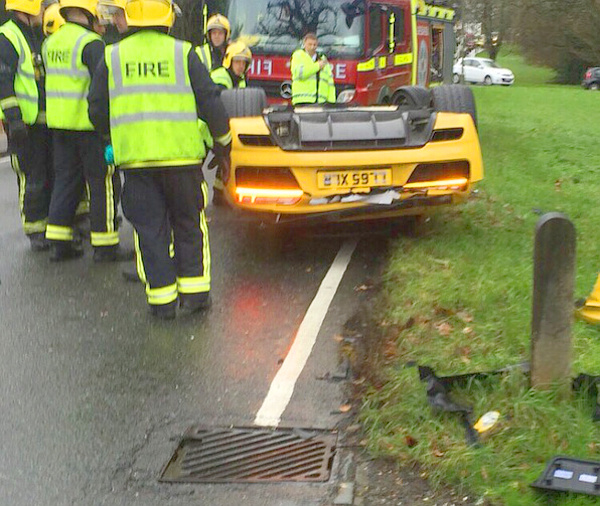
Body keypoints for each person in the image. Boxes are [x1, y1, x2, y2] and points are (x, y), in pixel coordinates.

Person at [88, 0, 232, 319]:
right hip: (182, 161)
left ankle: (162, 301)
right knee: (188, 225)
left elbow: (96, 109)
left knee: (150, 230)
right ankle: (195, 295)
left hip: (137, 164)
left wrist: (112, 137)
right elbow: (211, 103)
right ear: (167, 17)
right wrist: (224, 145)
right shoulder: (184, 53)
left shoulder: (112, 56)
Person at [43, 0, 123, 262]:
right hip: (89, 128)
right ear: (89, 12)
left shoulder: (50, 43)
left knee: (65, 182)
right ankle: (105, 244)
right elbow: (104, 88)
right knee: (102, 183)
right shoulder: (91, 44)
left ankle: (59, 242)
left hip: (59, 126)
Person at [0, 0, 52, 251]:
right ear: (28, 9)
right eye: (40, 6)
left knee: (45, 174)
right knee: (31, 176)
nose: (44, 11)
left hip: (41, 122)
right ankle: (35, 229)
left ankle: (48, 226)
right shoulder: (8, 36)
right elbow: (3, 80)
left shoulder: (33, 34)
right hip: (23, 124)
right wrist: (14, 119)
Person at [290, 32, 336, 105]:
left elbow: (330, 82)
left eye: (314, 45)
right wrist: (317, 66)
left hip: (321, 102)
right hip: (302, 100)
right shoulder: (298, 56)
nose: (312, 47)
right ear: (304, 44)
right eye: (310, 44)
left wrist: (332, 102)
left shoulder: (323, 59)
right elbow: (300, 74)